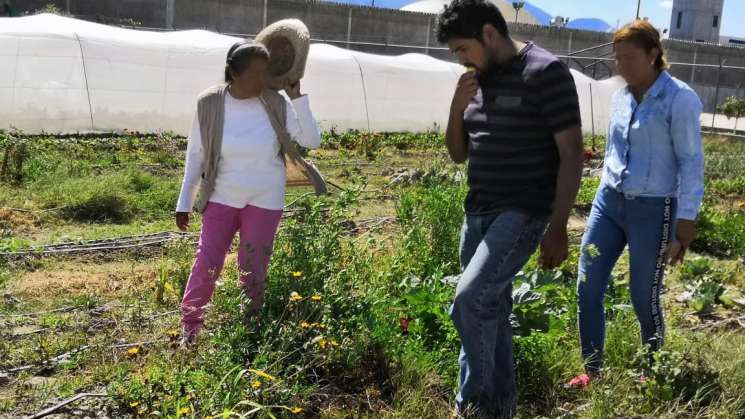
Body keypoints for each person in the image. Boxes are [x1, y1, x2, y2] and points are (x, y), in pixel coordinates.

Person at [435, 0, 584, 416]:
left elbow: (571, 154)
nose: (462, 59)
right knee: (491, 309)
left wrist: (558, 227)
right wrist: (455, 107)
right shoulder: (476, 82)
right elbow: (457, 154)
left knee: (470, 300)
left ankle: (476, 404)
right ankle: (500, 407)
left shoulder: (546, 72)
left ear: (488, 33)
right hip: (477, 212)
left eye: (463, 48)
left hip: (523, 211)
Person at [568, 20, 704, 389]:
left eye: (628, 58)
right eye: (617, 58)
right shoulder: (621, 97)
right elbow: (615, 151)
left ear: (653, 54)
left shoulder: (679, 98)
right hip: (609, 203)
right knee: (588, 285)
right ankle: (592, 370)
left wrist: (686, 220)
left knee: (643, 295)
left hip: (653, 207)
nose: (620, 66)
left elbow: (691, 161)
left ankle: (653, 369)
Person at [175, 41, 321, 346]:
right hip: (221, 195)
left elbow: (311, 139)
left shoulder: (276, 102)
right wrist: (184, 201)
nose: (263, 79)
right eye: (256, 73)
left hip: (265, 198)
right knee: (208, 261)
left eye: (266, 72)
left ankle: (249, 328)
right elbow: (197, 154)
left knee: (253, 266)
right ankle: (190, 328)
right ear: (234, 73)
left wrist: (297, 97)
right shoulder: (210, 103)